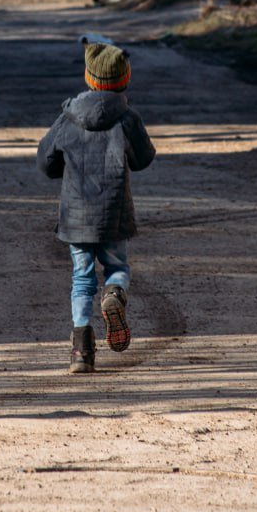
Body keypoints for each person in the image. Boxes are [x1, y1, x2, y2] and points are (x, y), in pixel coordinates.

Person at [37, 40, 156, 373]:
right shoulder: (127, 118)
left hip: (75, 216)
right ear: (124, 79)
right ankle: (114, 294)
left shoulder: (68, 118)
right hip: (114, 213)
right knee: (117, 268)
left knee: (82, 279)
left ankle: (81, 352)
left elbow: (46, 163)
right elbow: (144, 159)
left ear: (89, 78)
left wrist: (69, 165)